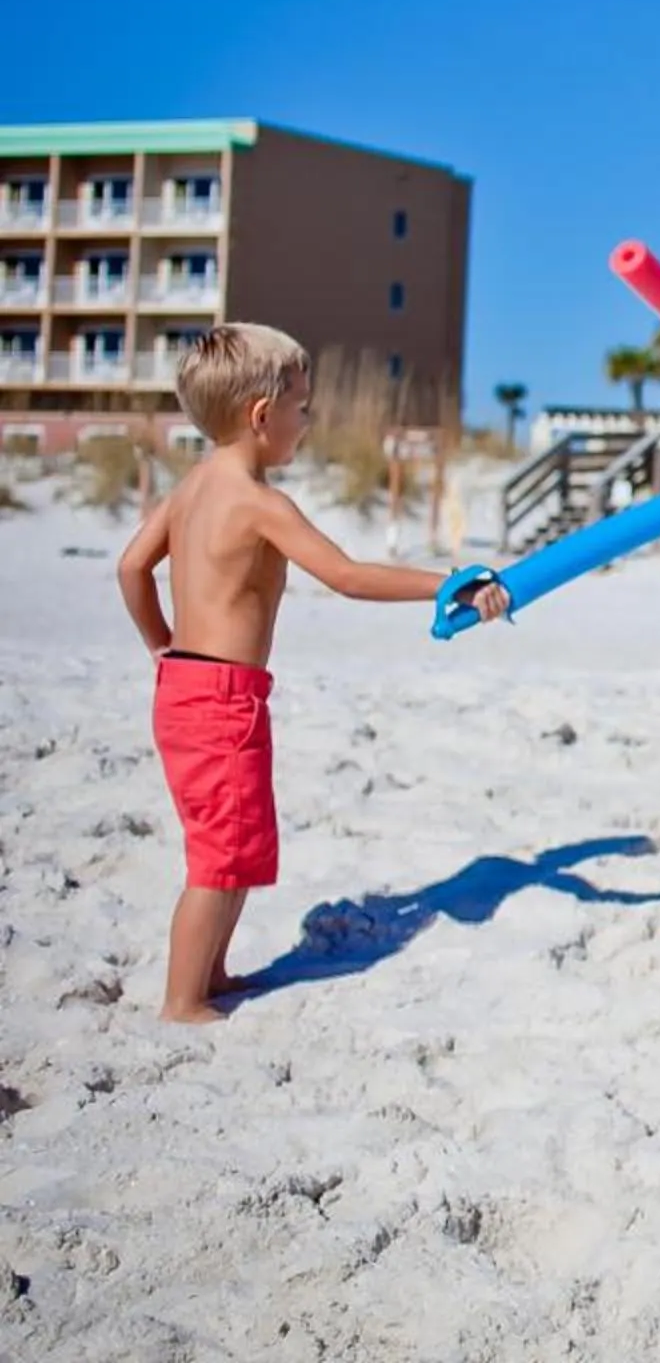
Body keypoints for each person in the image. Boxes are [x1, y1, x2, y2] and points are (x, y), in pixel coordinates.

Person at [114, 324, 509, 1022]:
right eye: (302, 406)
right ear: (262, 415)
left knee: (234, 843)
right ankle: (182, 1000)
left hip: (189, 688)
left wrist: (160, 645)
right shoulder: (259, 503)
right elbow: (347, 577)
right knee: (218, 857)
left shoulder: (191, 489)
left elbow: (130, 567)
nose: (309, 419)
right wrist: (445, 585)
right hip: (221, 698)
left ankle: (212, 974)